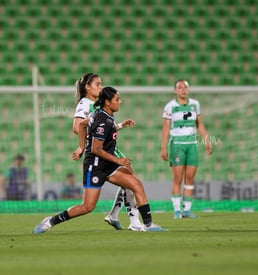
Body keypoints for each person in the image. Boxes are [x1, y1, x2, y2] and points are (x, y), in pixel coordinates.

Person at [33, 86, 167, 233]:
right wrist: (118, 160)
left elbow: (84, 125)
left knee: (136, 185)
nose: (120, 102)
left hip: (108, 164)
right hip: (95, 166)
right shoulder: (102, 120)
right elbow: (96, 149)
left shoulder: (104, 115)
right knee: (87, 207)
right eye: (117, 99)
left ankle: (148, 225)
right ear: (108, 102)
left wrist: (81, 147)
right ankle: (50, 221)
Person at [72, 73, 141, 231]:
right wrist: (86, 145)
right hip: (101, 150)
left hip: (107, 148)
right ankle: (133, 220)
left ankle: (116, 216)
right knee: (130, 180)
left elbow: (103, 126)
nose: (100, 87)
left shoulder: (95, 104)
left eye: (101, 84)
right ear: (87, 87)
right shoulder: (85, 103)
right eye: (97, 84)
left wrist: (120, 125)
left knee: (129, 180)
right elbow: (77, 127)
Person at [160, 80, 212, 219]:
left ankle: (187, 210)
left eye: (185, 87)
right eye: (180, 87)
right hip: (177, 145)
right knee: (178, 178)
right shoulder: (170, 106)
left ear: (188, 89)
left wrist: (207, 140)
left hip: (192, 144)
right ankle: (177, 210)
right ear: (175, 91)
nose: (183, 90)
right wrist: (163, 147)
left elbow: (199, 124)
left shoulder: (195, 105)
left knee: (190, 178)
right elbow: (165, 128)